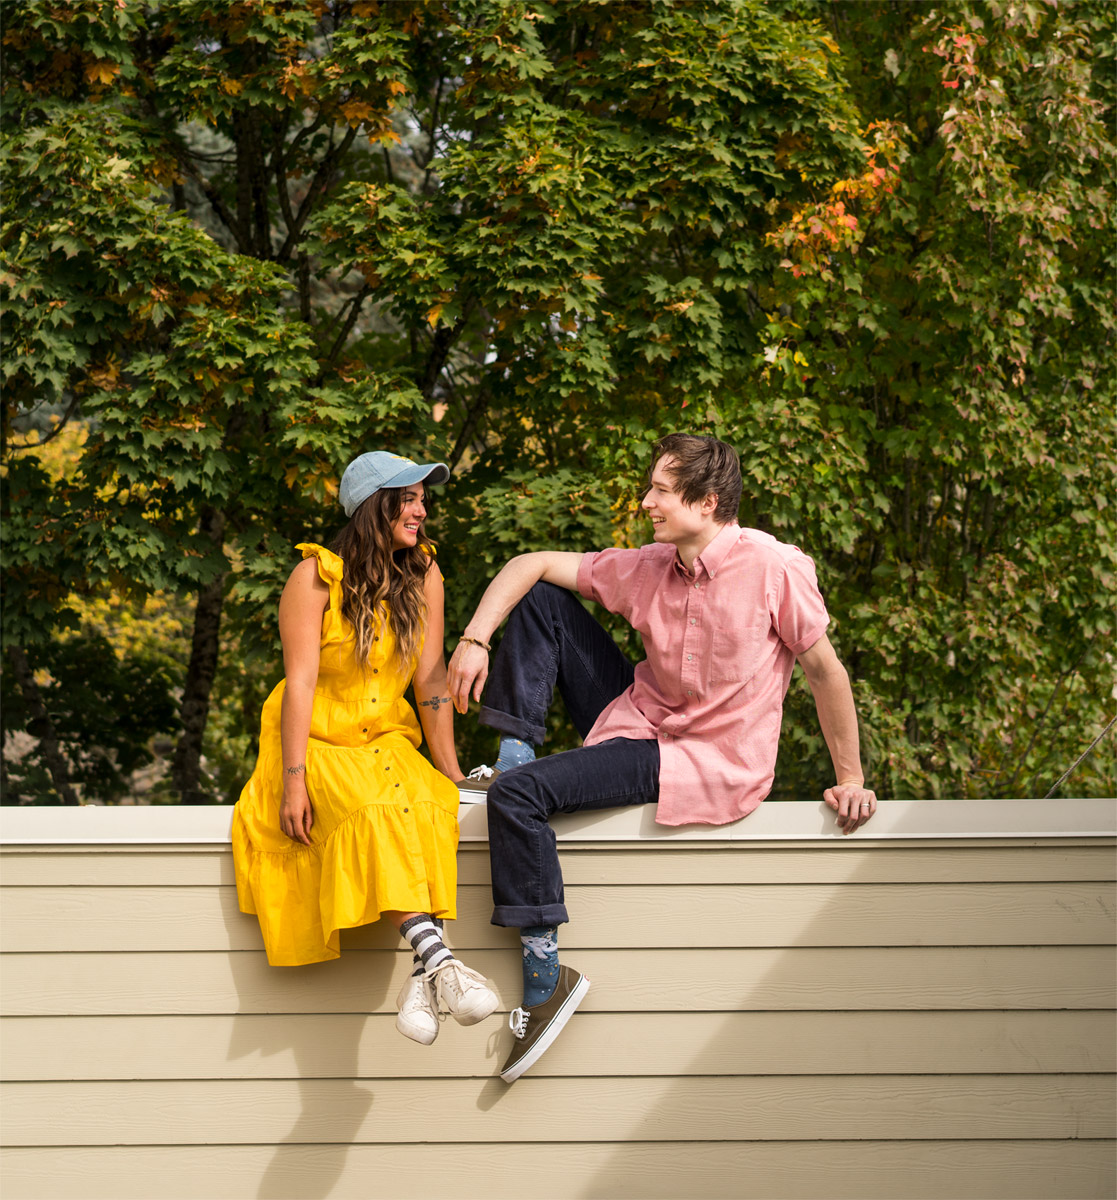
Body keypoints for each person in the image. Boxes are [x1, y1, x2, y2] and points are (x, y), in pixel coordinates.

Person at [447, 433, 878, 1082]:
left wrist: (850, 778)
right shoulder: (650, 564)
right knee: (543, 596)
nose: (646, 500)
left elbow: (823, 672)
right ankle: (513, 753)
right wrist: (475, 639)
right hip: (637, 717)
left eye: (660, 491)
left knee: (519, 800)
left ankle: (544, 981)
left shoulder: (773, 568)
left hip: (701, 758)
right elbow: (529, 561)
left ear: (706, 504)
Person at [233, 450, 499, 1045]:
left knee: (430, 803)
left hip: (385, 738)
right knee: (375, 810)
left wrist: (452, 771)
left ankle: (429, 971)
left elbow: (430, 681)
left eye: (423, 500)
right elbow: (299, 682)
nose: (422, 511)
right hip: (313, 740)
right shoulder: (314, 577)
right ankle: (442, 963)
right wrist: (295, 782)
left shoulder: (423, 574)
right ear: (375, 506)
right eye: (410, 498)